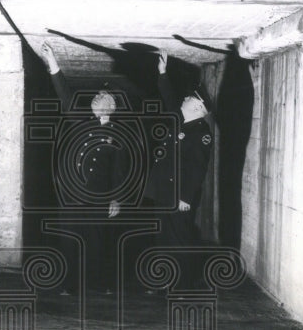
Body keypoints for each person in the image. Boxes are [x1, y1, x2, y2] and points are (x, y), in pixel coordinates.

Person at [37, 42, 130, 293]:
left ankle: (96, 284)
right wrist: (53, 63)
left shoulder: (119, 135)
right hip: (72, 196)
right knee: (69, 240)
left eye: (102, 97)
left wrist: (117, 200)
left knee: (96, 242)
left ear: (111, 106)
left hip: (99, 198)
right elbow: (65, 96)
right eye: (96, 96)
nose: (97, 98)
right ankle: (68, 285)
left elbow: (119, 172)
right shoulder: (81, 122)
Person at [143, 52, 214, 276]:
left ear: (197, 108)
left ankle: (183, 283)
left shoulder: (201, 133)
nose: (183, 100)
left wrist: (186, 196)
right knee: (163, 235)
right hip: (165, 191)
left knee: (179, 237)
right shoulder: (182, 122)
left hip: (179, 195)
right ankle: (166, 278)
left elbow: (197, 169)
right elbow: (170, 99)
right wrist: (162, 73)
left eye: (188, 100)